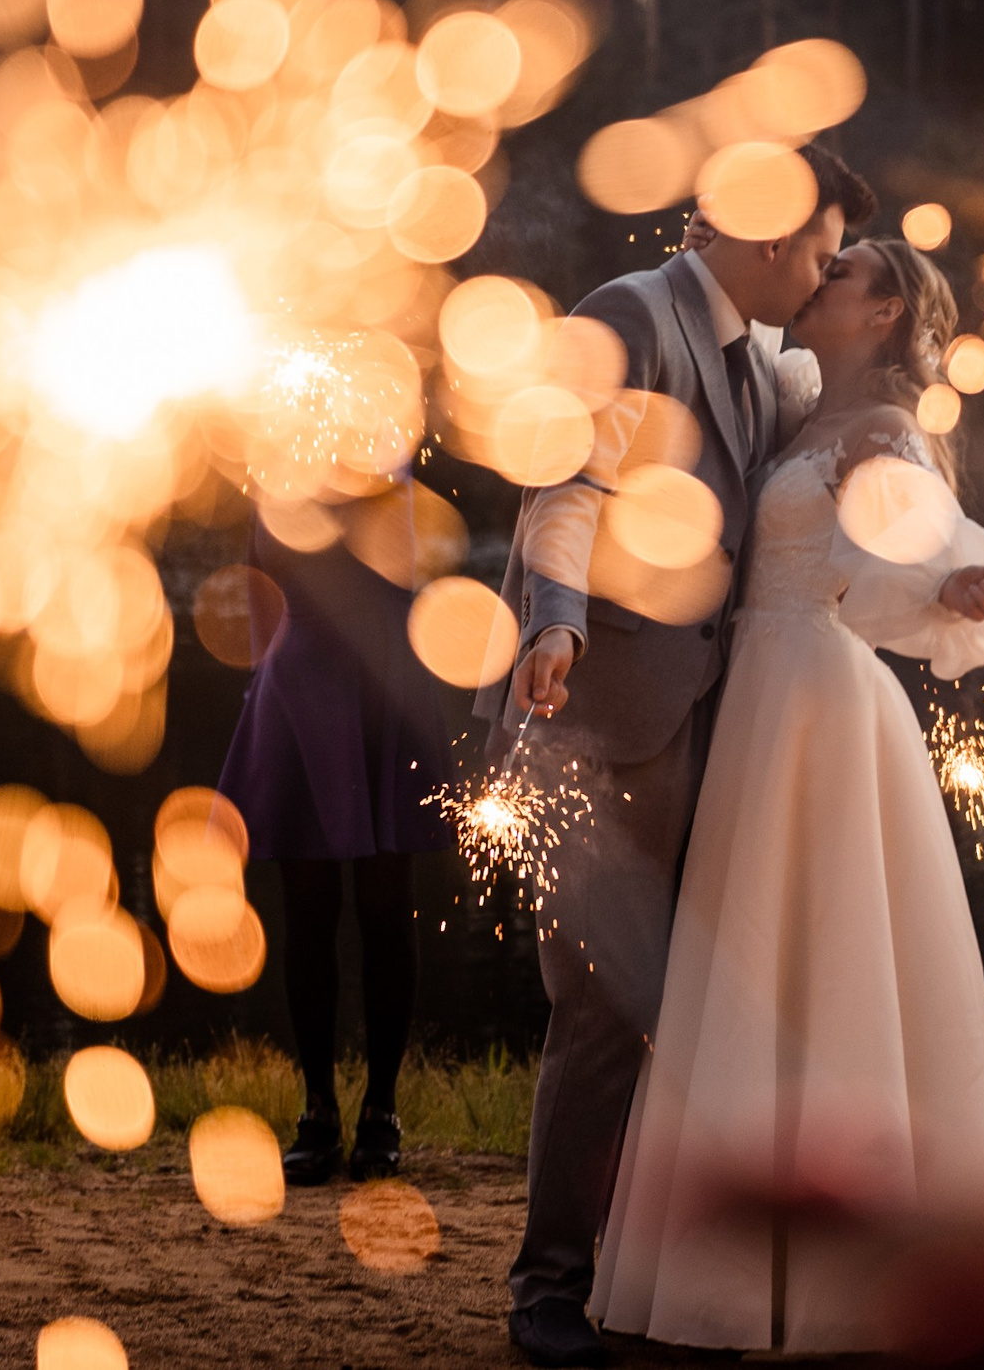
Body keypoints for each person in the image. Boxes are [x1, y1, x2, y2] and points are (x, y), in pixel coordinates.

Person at [590, 238, 984, 1353]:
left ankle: (847, 1275)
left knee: (831, 955)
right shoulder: (790, 403)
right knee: (741, 953)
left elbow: (912, 555)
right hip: (749, 699)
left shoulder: (886, 435)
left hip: (818, 712)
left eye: (839, 278)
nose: (815, 285)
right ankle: (727, 1259)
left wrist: (954, 583)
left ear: (884, 312)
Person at [483, 144, 864, 1368]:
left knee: (684, 1004)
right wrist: (556, 615)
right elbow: (568, 482)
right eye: (816, 249)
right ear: (763, 233)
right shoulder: (628, 314)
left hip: (708, 723)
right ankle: (547, 1289)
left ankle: (641, 1278)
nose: (820, 275)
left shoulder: (761, 360)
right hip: (602, 718)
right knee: (600, 1007)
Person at [214, 485, 452, 1186]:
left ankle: (381, 1108)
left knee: (385, 903)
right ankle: (318, 1110)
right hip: (299, 679)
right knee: (308, 907)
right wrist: (265, 679)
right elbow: (257, 571)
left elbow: (395, 557)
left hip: (383, 673)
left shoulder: (386, 436)